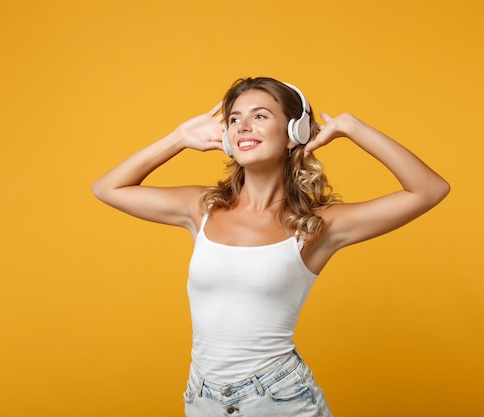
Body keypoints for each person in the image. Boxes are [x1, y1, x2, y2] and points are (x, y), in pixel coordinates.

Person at [92, 77, 450, 417]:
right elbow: (108, 188)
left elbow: (429, 190)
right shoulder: (202, 208)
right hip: (203, 399)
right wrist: (178, 138)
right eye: (234, 119)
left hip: (280, 399)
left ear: (295, 133)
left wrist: (353, 128)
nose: (243, 126)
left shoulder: (318, 226)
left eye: (260, 116)